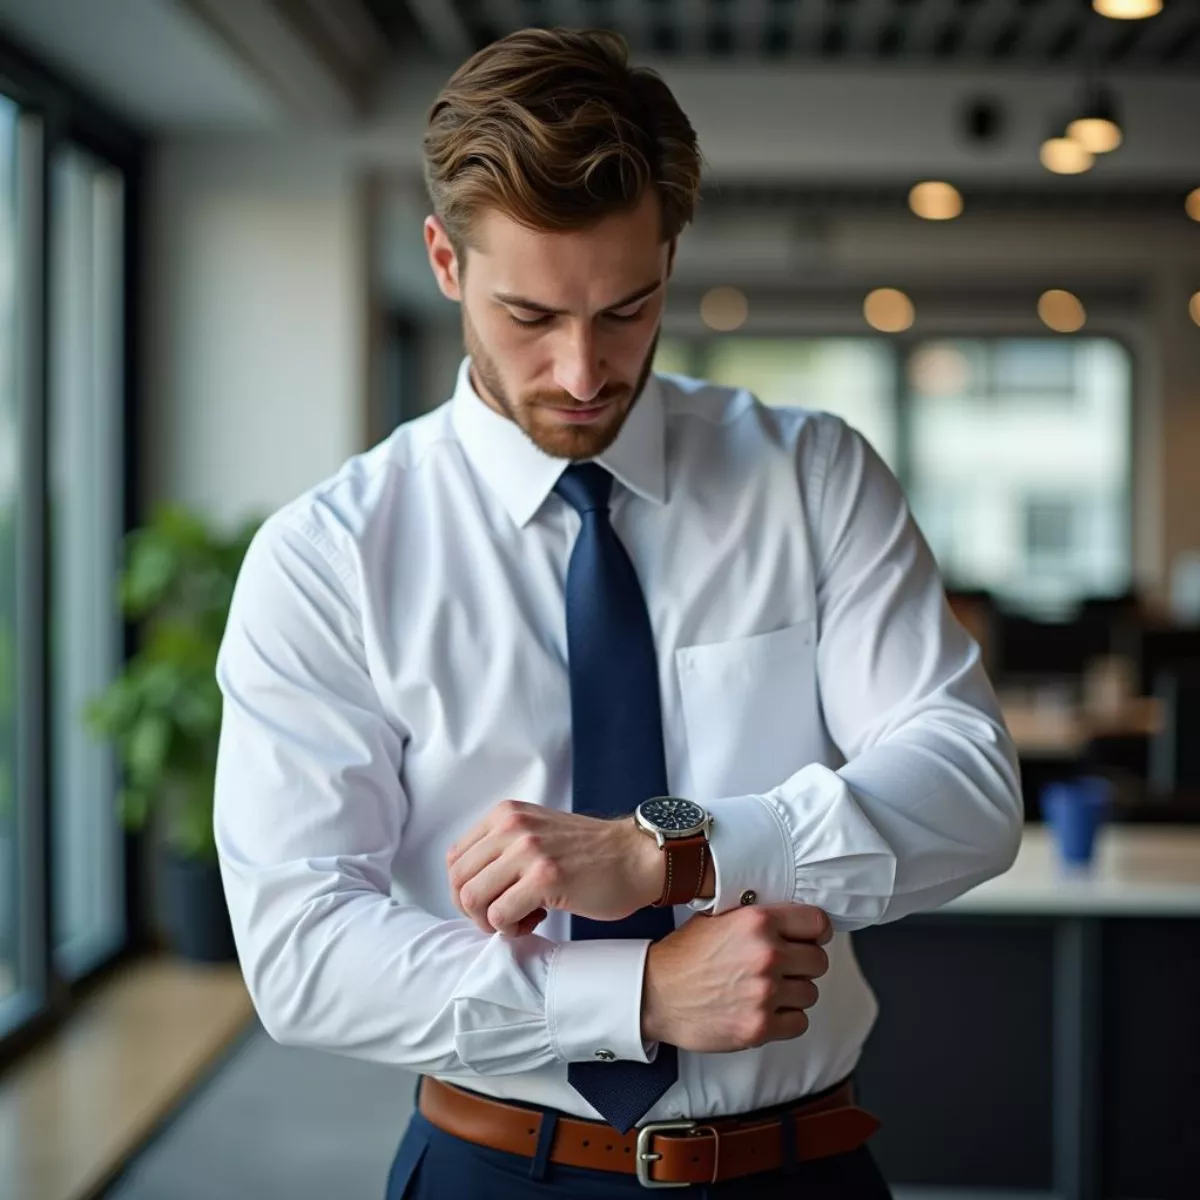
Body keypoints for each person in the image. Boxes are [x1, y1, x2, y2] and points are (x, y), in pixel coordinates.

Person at [213, 26, 1023, 1200]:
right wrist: (631, 998)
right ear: (446, 261)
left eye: (627, 309)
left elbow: (970, 788)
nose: (585, 371)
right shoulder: (329, 556)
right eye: (531, 317)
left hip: (799, 1166)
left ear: (670, 257)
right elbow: (300, 950)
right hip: (495, 1167)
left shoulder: (812, 478)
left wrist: (672, 853)